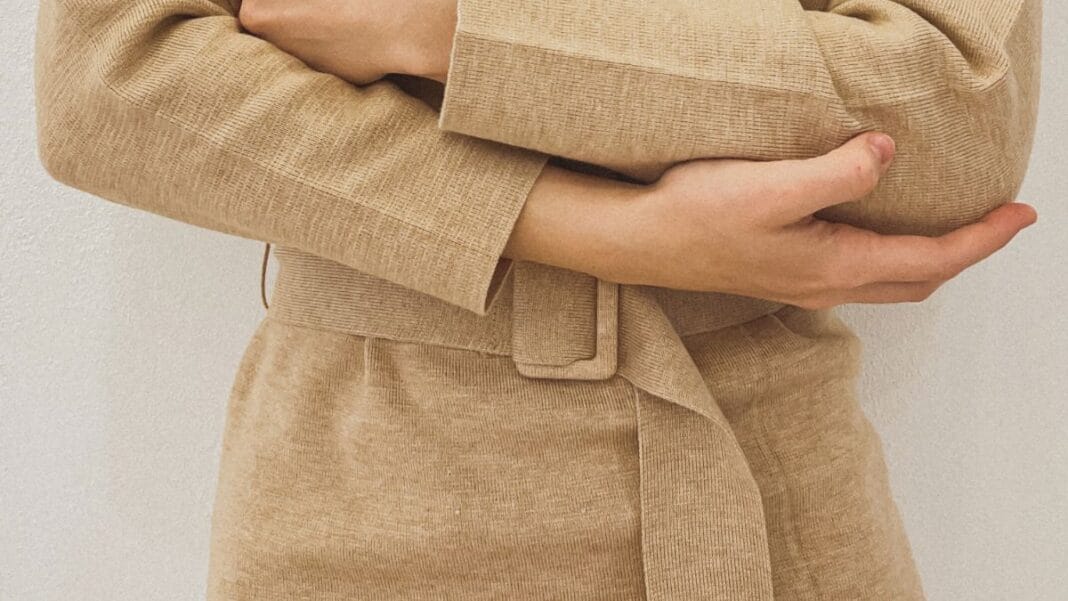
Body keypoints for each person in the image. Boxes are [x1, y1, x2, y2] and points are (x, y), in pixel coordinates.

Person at [34, 0, 1041, 599]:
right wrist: (601, 228)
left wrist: (454, 29)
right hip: (361, 492)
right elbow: (111, 80)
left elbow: (950, 110)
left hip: (766, 488)